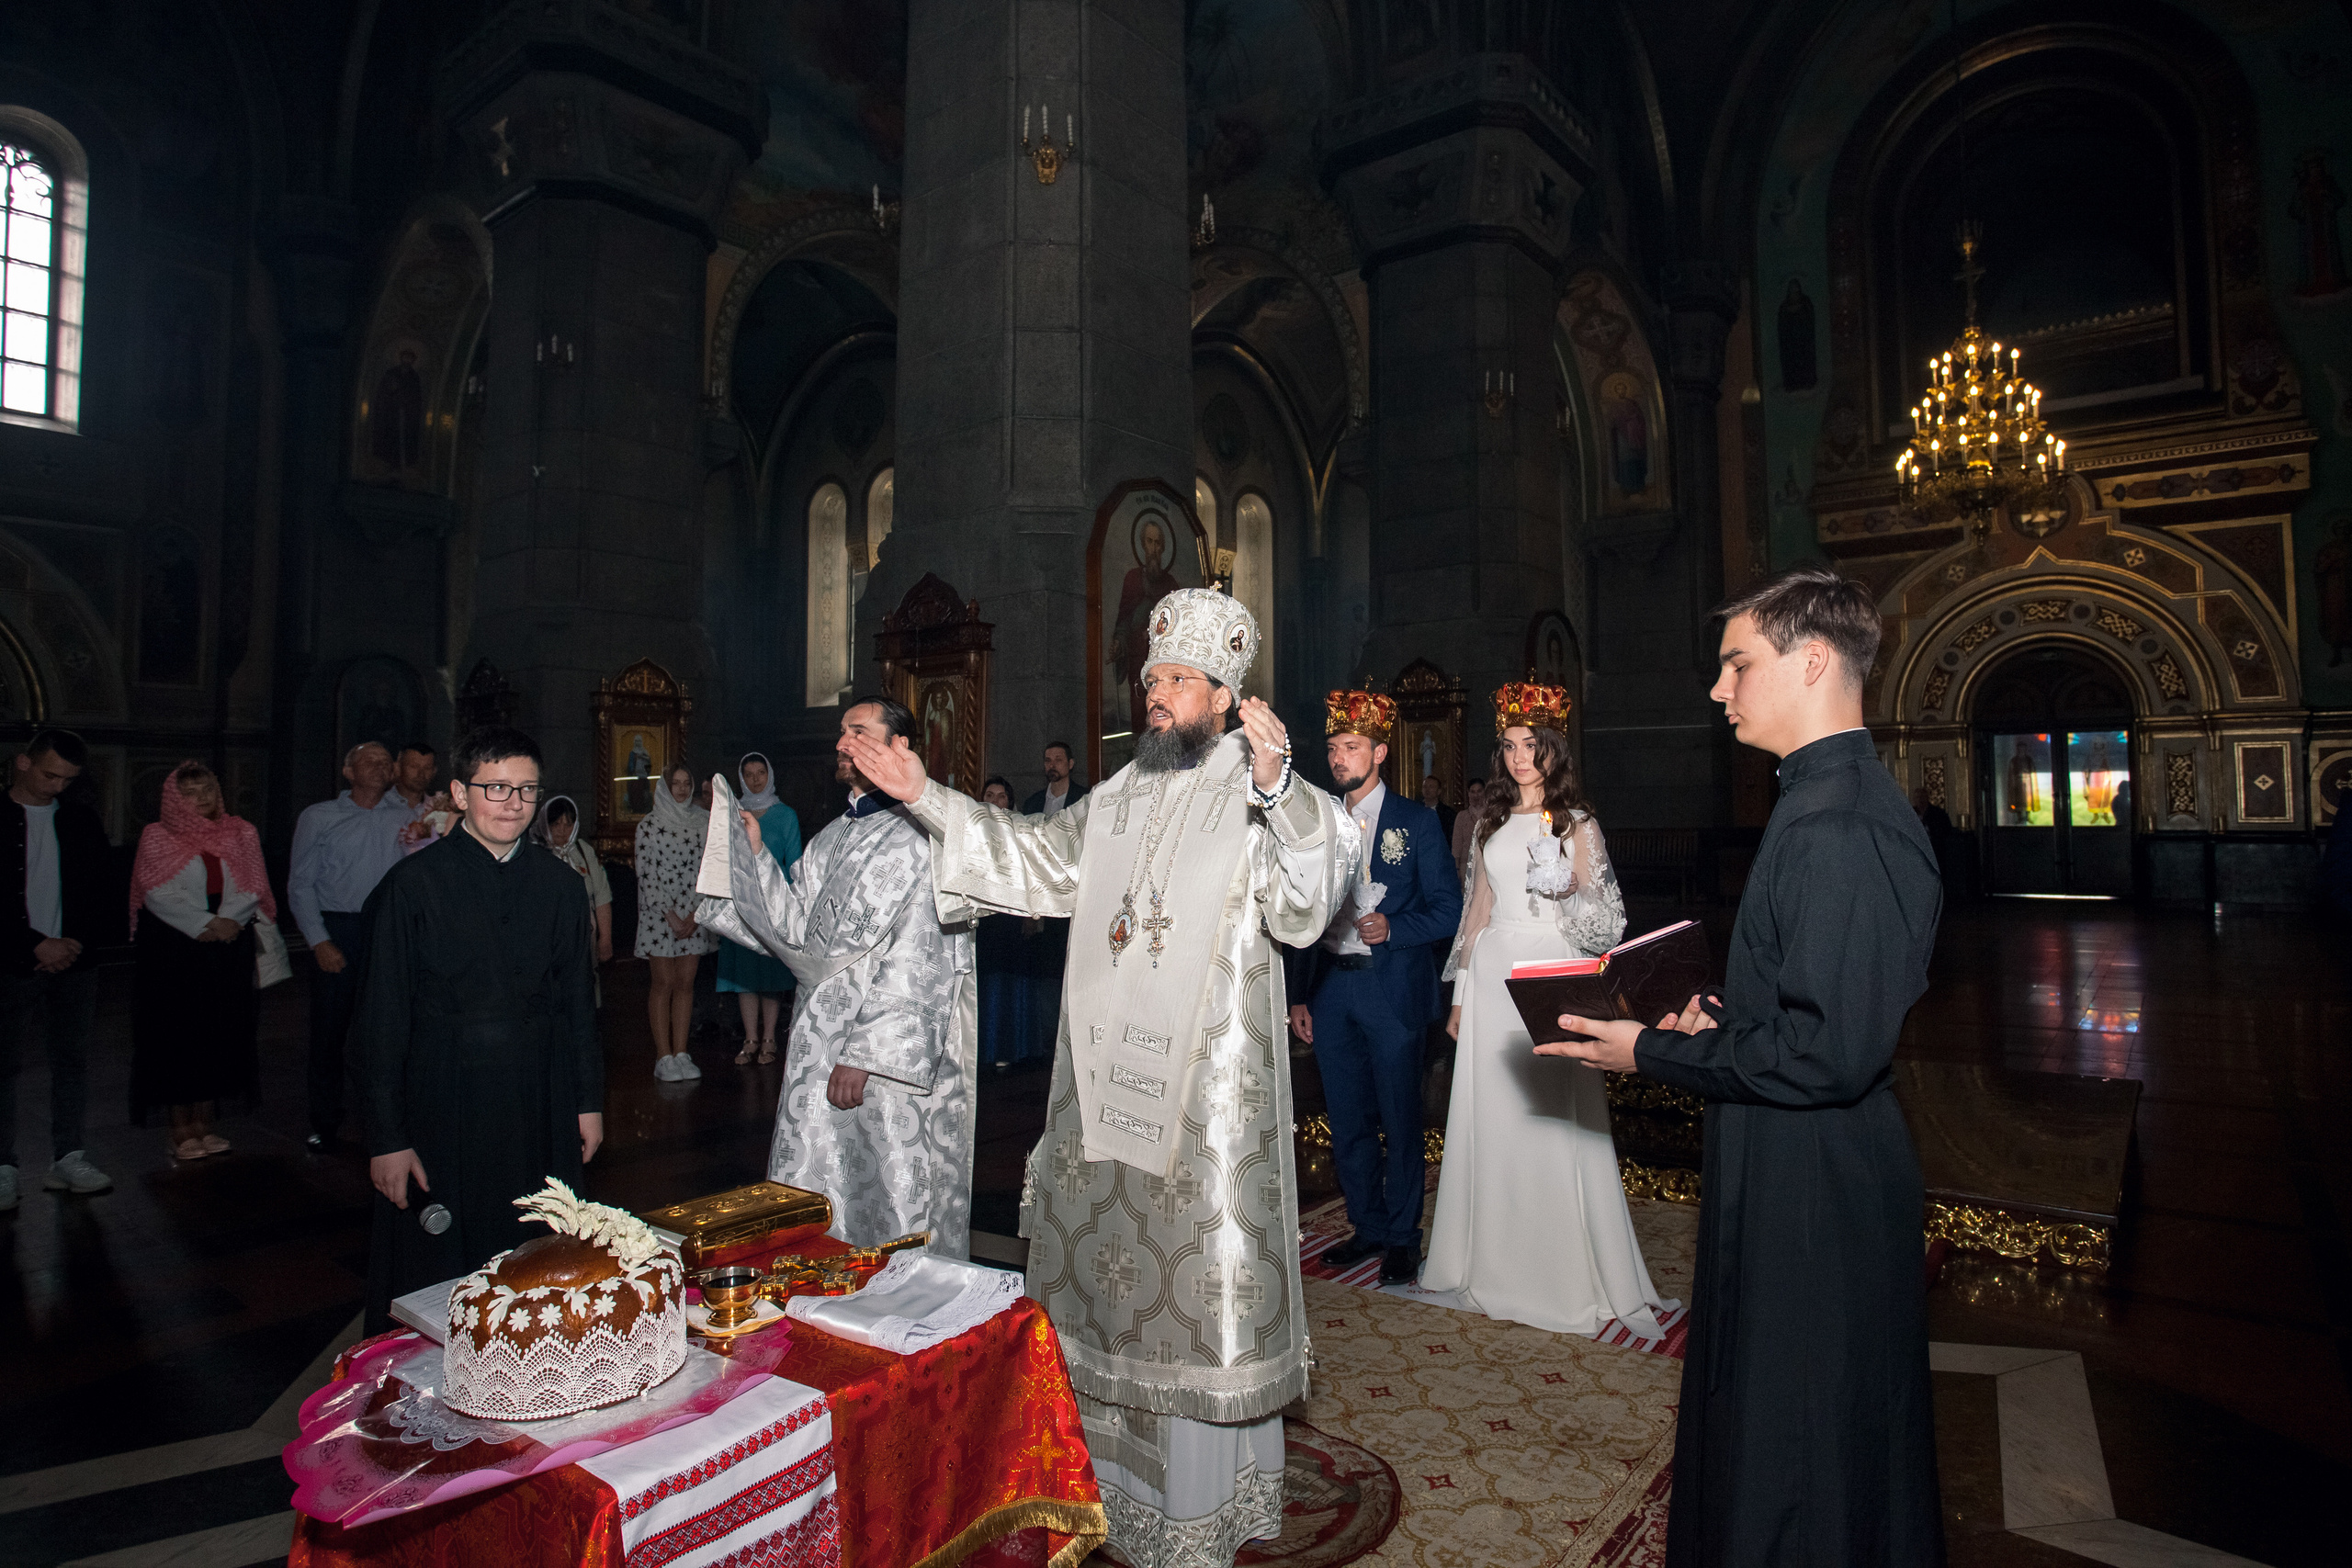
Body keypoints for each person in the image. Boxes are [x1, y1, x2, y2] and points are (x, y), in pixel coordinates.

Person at [845, 589, 1353, 1563]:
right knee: (1108, 1285)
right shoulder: (1117, 795)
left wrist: (1282, 785)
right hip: (1100, 1089)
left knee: (1192, 1295)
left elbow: (1309, 899)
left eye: (1176, 680)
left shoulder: (1257, 790)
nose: (1154, 693)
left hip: (1201, 1102)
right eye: (1150, 678)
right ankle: (1105, 1485)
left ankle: (1202, 1506)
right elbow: (1032, 860)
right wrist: (925, 796)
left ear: (1223, 695)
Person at [1548, 566, 1945, 1567]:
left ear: (1811, 662)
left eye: (1737, 664)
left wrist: (1651, 1049)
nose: (1718, 688)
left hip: (1817, 1185)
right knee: (1778, 1417)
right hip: (1790, 1158)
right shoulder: (1817, 800)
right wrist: (1723, 1013)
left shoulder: (1839, 823)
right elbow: (1815, 1001)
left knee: (1804, 1442)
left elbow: (1829, 1053)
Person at [1419, 684, 1676, 1337]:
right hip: (1492, 977)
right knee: (1493, 1118)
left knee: (1552, 1117)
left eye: (1531, 745)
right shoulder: (1489, 821)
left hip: (1552, 971)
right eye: (1508, 745)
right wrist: (1460, 993)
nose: (1518, 757)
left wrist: (1565, 892)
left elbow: (1608, 923)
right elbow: (1477, 912)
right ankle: (1488, 1264)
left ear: (1554, 749)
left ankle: (1558, 1273)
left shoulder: (1576, 822)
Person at [695, 697, 978, 1256]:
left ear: (899, 746)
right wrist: (754, 855)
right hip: (818, 1043)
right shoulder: (832, 836)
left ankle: (901, 1302)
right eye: (841, 732)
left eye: (858, 731)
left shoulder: (927, 835)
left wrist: (867, 1053)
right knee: (820, 1186)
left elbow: (926, 954)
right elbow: (793, 929)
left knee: (893, 1188)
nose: (841, 743)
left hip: (887, 1060)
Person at [354, 725, 602, 1333]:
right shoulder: (411, 887)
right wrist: (386, 1136)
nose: (513, 803)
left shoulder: (562, 887)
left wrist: (587, 1103)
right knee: (437, 1272)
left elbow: (577, 1006)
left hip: (536, 1100)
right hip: (442, 1103)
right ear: (461, 793)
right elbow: (381, 1018)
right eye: (496, 788)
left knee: (537, 1265)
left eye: (526, 789)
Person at [1285, 691, 1462, 1283]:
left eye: (1353, 746)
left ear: (1380, 752)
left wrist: (1396, 927)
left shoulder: (1417, 821)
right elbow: (1298, 910)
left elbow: (1448, 910)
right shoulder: (1317, 820)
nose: (1340, 757)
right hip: (1333, 988)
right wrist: (1299, 994)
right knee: (1347, 1117)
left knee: (1400, 1116)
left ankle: (1403, 1237)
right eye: (1334, 747)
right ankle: (1367, 1226)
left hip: (1392, 989)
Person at [129, 761, 280, 1161]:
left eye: (207, 789)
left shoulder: (242, 831)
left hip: (228, 946)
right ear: (173, 798)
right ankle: (180, 1128)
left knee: (219, 1033)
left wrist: (228, 921)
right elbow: (155, 891)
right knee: (177, 1036)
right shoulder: (157, 835)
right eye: (190, 792)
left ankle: (205, 1123)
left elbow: (254, 884)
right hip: (174, 948)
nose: (201, 799)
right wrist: (204, 923)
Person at [0, 729, 113, 1209]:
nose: (58, 786)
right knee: (4, 1065)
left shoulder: (79, 819)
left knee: (71, 1061)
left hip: (73, 960)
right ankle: (3, 1167)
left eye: (68, 779)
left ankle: (68, 1157)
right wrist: (35, 944)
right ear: (23, 762)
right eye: (50, 775)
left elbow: (100, 888)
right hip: (9, 961)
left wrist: (73, 944)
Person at [288, 741, 410, 1151]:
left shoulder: (407, 817)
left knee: (386, 1031)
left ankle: (384, 1122)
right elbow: (301, 884)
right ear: (348, 771)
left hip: (388, 930)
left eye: (385, 761)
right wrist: (319, 940)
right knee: (330, 1032)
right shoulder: (319, 816)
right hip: (340, 928)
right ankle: (325, 1123)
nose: (379, 766)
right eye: (369, 760)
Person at [716, 752, 801, 1066]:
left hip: (772, 904)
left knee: (770, 972)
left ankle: (769, 1038)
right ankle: (750, 1038)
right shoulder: (733, 814)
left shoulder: (786, 815)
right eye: (749, 774)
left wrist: (788, 903)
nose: (755, 780)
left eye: (760, 773)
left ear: (770, 774)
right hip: (741, 904)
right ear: (741, 778)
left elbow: (794, 863)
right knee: (744, 972)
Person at [637, 761, 715, 1081]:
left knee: (685, 984)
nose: (681, 789)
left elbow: (711, 868)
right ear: (665, 787)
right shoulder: (649, 825)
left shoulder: (703, 822)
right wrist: (670, 915)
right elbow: (646, 874)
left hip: (693, 911)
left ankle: (681, 1052)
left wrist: (695, 915)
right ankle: (663, 1056)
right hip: (660, 915)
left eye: (686, 783)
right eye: (676, 783)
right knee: (664, 983)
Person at [974, 777, 1046, 1074]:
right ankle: (982, 1049)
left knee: (1011, 985)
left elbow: (1033, 875)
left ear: (1010, 801)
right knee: (984, 984)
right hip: (982, 919)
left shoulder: (1021, 829)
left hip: (1013, 918)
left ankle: (1010, 1048)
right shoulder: (972, 829)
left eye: (1001, 796)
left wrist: (1032, 916)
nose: (995, 801)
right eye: (989, 795)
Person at [534, 795, 614, 1004]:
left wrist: (605, 938)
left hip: (585, 941)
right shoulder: (535, 853)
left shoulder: (583, 851)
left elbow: (601, 895)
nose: (562, 830)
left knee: (583, 997)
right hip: (548, 943)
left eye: (568, 825)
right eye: (556, 824)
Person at [1021, 740, 1088, 816]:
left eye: (1058, 760)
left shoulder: (1084, 799)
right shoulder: (1032, 803)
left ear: (1070, 764)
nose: (1052, 765)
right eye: (1048, 760)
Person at [1451, 776, 1486, 874]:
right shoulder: (1462, 816)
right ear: (1468, 793)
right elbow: (1456, 845)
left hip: (1487, 862)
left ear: (1485, 792)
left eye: (1479, 791)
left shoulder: (1492, 815)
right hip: (1466, 864)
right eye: (1472, 792)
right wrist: (1456, 869)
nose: (1476, 795)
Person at [1418, 773, 1458, 840]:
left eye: (1431, 787)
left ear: (1439, 791)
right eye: (1425, 786)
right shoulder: (1416, 809)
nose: (1427, 790)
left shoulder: (1448, 813)